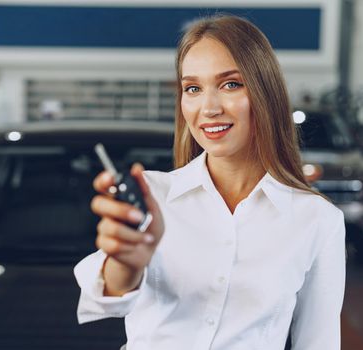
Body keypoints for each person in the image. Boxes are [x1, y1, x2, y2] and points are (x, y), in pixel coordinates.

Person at [74, 15, 345, 350]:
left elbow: (318, 343)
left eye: (231, 84)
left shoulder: (318, 220)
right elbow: (106, 294)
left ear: (265, 92)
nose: (209, 107)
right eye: (193, 89)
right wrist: (126, 262)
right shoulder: (152, 195)